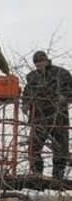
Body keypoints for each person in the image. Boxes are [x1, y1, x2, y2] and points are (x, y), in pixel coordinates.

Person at [22, 50, 72, 180]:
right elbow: (26, 92)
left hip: (58, 117)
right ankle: (37, 173)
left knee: (61, 147)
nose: (38, 66)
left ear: (46, 60)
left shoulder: (62, 74)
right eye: (36, 64)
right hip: (39, 117)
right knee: (34, 146)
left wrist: (64, 97)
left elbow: (71, 90)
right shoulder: (32, 77)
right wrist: (25, 104)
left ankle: (58, 176)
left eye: (40, 63)